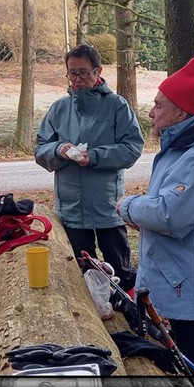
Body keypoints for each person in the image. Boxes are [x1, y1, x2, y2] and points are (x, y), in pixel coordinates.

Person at [115, 55, 194, 377]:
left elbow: (170, 215)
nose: (151, 112)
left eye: (158, 105)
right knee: (187, 362)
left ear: (181, 113)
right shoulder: (179, 151)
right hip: (183, 281)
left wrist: (128, 206)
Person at [35, 44, 144, 295]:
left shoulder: (117, 106)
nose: (77, 79)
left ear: (98, 71)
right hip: (71, 209)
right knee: (83, 271)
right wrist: (59, 150)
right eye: (72, 73)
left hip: (108, 207)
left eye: (83, 72)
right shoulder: (59, 109)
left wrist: (94, 156)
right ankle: (94, 312)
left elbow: (132, 148)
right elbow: (40, 149)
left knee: (120, 271)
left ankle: (130, 310)